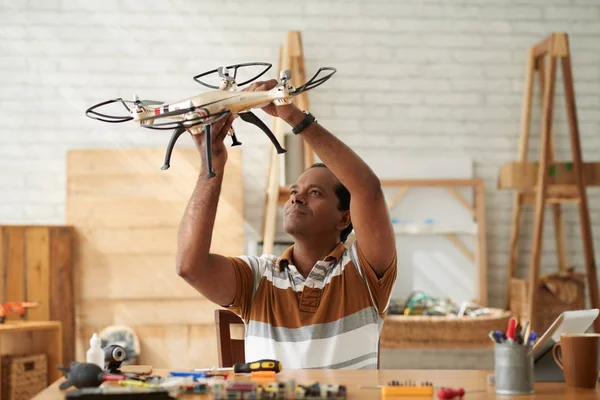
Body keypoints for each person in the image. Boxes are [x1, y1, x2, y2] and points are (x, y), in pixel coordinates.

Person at [176, 79, 397, 369]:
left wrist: (292, 116)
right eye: (294, 192)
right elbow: (190, 267)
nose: (297, 199)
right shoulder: (257, 277)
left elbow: (367, 189)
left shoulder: (363, 273)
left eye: (314, 193)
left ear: (344, 217)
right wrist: (211, 165)